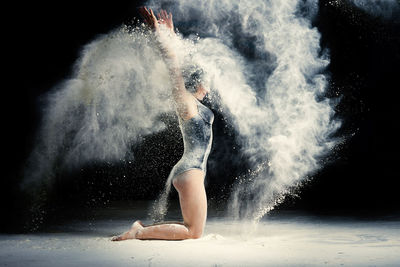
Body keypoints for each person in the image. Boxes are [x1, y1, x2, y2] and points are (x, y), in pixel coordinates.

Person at [112, 7, 214, 241]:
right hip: (190, 171)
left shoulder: (196, 102)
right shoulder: (185, 102)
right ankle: (138, 232)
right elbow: (173, 65)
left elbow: (182, 56)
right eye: (206, 79)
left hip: (194, 170)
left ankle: (140, 229)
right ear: (197, 81)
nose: (210, 84)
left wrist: (171, 33)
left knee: (193, 228)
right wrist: (158, 35)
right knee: (193, 232)